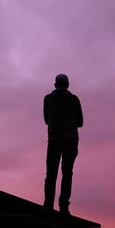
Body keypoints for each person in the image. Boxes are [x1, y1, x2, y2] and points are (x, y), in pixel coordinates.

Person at [43, 74, 83, 215]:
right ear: (67, 84)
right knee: (67, 173)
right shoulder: (74, 99)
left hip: (54, 139)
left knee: (51, 173)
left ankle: (48, 204)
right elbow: (81, 122)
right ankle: (64, 207)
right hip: (71, 140)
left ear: (55, 85)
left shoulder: (48, 99)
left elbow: (46, 120)